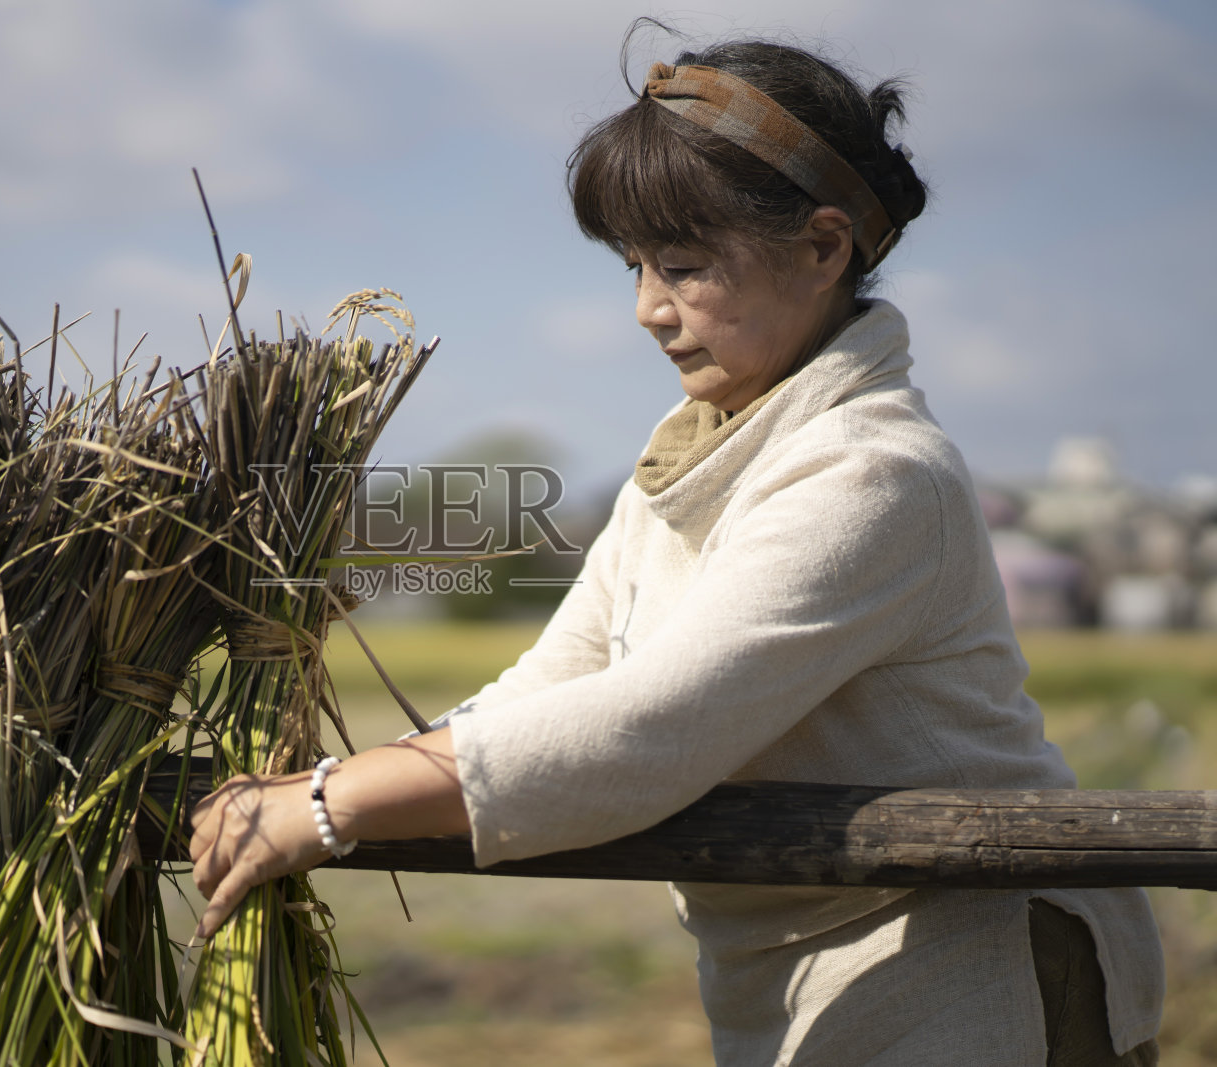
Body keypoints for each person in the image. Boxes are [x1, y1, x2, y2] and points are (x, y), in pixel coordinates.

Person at [188, 34, 1164, 1067]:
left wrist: (332, 803)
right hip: (790, 964)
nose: (649, 308)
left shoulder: (876, 473)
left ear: (824, 247)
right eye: (636, 267)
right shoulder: (688, 463)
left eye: (685, 266)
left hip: (970, 962)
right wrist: (330, 782)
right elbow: (550, 687)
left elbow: (651, 726)